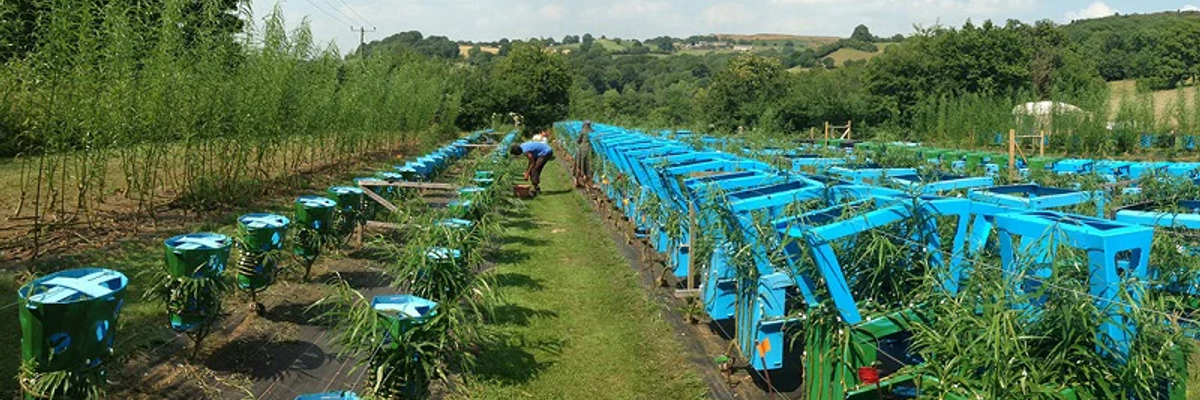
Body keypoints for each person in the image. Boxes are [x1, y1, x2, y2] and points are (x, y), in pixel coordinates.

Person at [573, 121, 594, 189]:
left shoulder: (583, 131)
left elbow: (578, 140)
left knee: (579, 164)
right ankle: (588, 183)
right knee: (588, 166)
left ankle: (577, 181)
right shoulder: (592, 131)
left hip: (582, 150)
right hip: (590, 150)